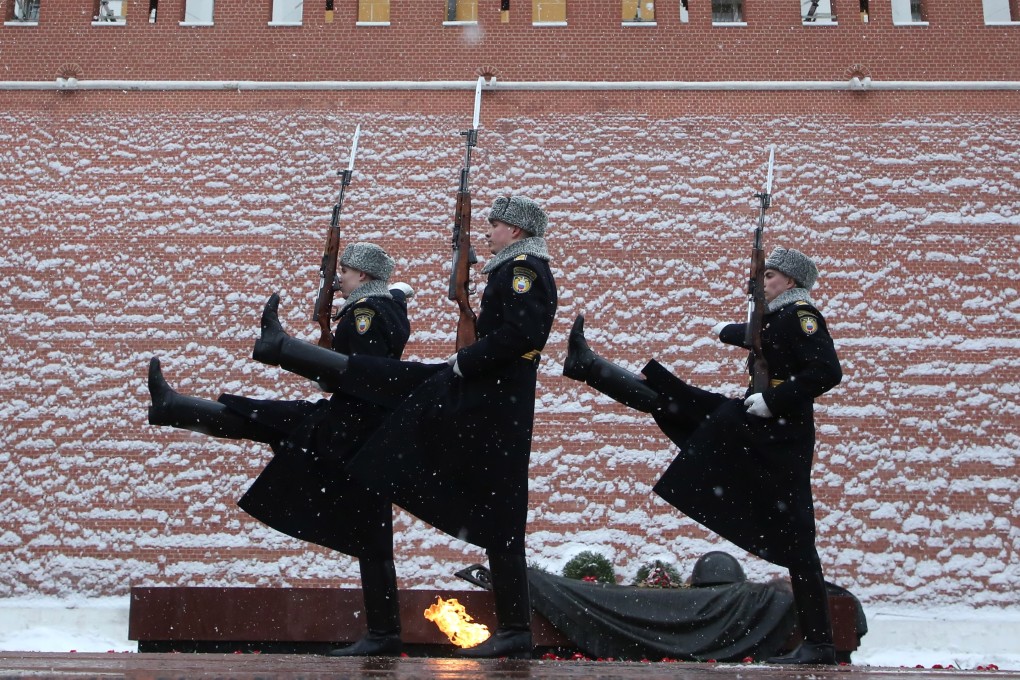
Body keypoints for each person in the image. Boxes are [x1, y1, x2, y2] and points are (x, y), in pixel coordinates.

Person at [251, 196, 558, 659]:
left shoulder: (525, 270)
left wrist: (463, 361)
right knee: (495, 500)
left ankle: (516, 630)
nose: (489, 232)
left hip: (498, 395)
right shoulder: (513, 267)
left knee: (501, 503)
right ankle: (283, 347)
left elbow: (523, 335)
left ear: (515, 231)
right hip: (492, 391)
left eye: (495, 225)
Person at [563, 246, 842, 665]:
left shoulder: (803, 315)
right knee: (675, 402)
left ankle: (820, 644)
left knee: (800, 542)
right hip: (759, 426)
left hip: (778, 435)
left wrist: (775, 401)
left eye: (771, 276)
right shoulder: (778, 317)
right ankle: (590, 366)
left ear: (791, 281)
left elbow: (827, 371)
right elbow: (762, 337)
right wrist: (729, 331)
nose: (764, 281)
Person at [147, 242, 413, 657]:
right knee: (372, 538)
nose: (338, 276)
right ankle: (384, 633)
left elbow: (359, 374)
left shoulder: (366, 314)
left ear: (363, 276)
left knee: (260, 416)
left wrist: (318, 359)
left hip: (349, 429)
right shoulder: (383, 310)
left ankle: (179, 405)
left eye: (345, 270)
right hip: (363, 430)